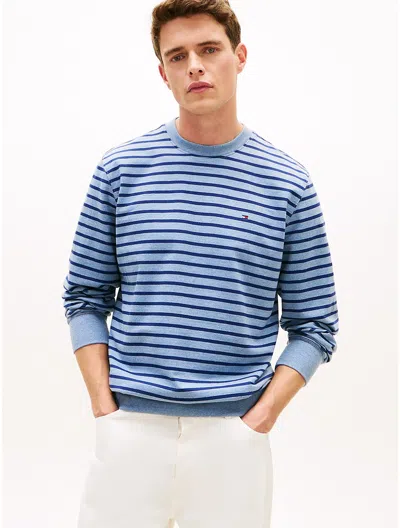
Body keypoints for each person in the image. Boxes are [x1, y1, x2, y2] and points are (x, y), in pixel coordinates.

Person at [62, 1, 340, 526]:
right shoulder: (120, 171)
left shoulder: (288, 185)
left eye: (209, 49)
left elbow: (316, 326)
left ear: (240, 56)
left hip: (234, 438)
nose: (194, 66)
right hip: (129, 430)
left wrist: (258, 419)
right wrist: (104, 406)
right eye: (177, 56)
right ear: (162, 72)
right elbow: (84, 298)